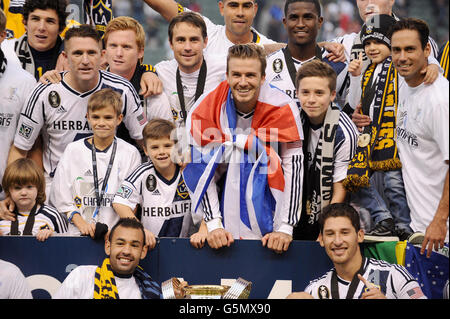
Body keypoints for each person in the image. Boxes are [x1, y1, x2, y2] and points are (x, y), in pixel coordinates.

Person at [182, 44, 304, 254]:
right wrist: (213, 224)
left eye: (250, 75)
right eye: (236, 75)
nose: (243, 82)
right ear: (227, 76)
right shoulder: (206, 107)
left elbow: (294, 166)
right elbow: (199, 169)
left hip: (271, 211)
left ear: (263, 77)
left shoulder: (283, 106)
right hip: (221, 206)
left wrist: (286, 226)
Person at [6, 24, 146, 201]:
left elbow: (145, 141)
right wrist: (10, 196)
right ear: (65, 56)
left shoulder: (122, 89)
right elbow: (20, 148)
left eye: (91, 53)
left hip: (109, 192)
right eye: (78, 53)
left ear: (102, 55)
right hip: (56, 191)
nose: (85, 60)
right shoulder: (44, 91)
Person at [343, 14, 414, 242]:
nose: (372, 48)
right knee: (356, 178)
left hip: (393, 137)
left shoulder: (400, 67)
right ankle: (384, 218)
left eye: (378, 42)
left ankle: (404, 225)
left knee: (394, 183)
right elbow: (356, 104)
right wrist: (355, 77)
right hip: (370, 137)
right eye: (367, 43)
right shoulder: (368, 72)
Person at [50, 89, 142, 239]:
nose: (101, 123)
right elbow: (60, 197)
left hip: (114, 236)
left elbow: (132, 202)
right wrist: (81, 224)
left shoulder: (130, 153)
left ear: (119, 119)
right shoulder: (73, 150)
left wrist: (116, 233)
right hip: (76, 234)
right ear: (88, 117)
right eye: (96, 117)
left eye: (108, 117)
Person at [391, 18, 449, 257]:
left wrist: (440, 220)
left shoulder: (439, 100)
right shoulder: (405, 85)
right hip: (420, 230)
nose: (402, 57)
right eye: (396, 50)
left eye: (410, 49)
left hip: (442, 235)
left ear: (427, 50)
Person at [287, 203, 427, 299]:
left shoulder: (393, 275)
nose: (337, 241)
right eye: (330, 234)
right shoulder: (315, 290)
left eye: (344, 232)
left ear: (360, 236)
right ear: (321, 240)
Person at [113, 119, 205, 247]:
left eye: (167, 146)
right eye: (155, 147)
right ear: (145, 150)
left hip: (184, 247)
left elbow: (208, 204)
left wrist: (203, 229)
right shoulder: (143, 173)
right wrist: (139, 230)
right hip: (151, 246)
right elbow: (119, 203)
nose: (161, 151)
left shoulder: (187, 170)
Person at [293, 59, 358, 240]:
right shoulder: (292, 120)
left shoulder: (344, 132)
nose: (311, 100)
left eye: (319, 93)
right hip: (297, 211)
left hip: (331, 209)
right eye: (305, 92)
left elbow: (340, 189)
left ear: (332, 95)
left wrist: (326, 229)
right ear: (297, 93)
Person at [265, 0, 350, 114]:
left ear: (319, 22)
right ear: (285, 22)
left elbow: (350, 111)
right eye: (294, 18)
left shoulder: (337, 64)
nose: (300, 24)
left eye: (308, 17)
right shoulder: (267, 66)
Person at [54, 218, 164, 299]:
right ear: (108, 246)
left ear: (143, 251)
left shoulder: (150, 292)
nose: (126, 251)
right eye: (120, 243)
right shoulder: (81, 276)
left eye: (134, 245)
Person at [155, 11, 227, 128]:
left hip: (212, 143)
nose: (187, 47)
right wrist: (147, 73)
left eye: (194, 40)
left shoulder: (223, 66)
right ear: (171, 44)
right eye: (181, 40)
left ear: (205, 42)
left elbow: (252, 55)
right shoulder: (159, 72)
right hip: (175, 143)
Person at [143, 0, 277, 58]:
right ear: (221, 8)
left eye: (246, 6)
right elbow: (158, 3)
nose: (240, 12)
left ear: (255, 10)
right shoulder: (205, 30)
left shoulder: (272, 50)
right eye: (233, 5)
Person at [0, 8, 36, 201]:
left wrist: (11, 194)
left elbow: (30, 144)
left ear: (2, 36)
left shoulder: (24, 82)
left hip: (8, 199)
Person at [0, 158, 68, 241]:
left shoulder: (53, 216)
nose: (24, 192)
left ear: (38, 187)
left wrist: (53, 236)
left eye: (29, 187)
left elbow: (67, 247)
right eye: (17, 188)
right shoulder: (3, 215)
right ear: (8, 190)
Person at [1, 0, 68, 80]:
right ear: (25, 23)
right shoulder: (6, 52)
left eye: (50, 21)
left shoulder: (72, 56)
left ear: (61, 28)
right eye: (35, 19)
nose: (41, 27)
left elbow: (83, 34)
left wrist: (67, 51)